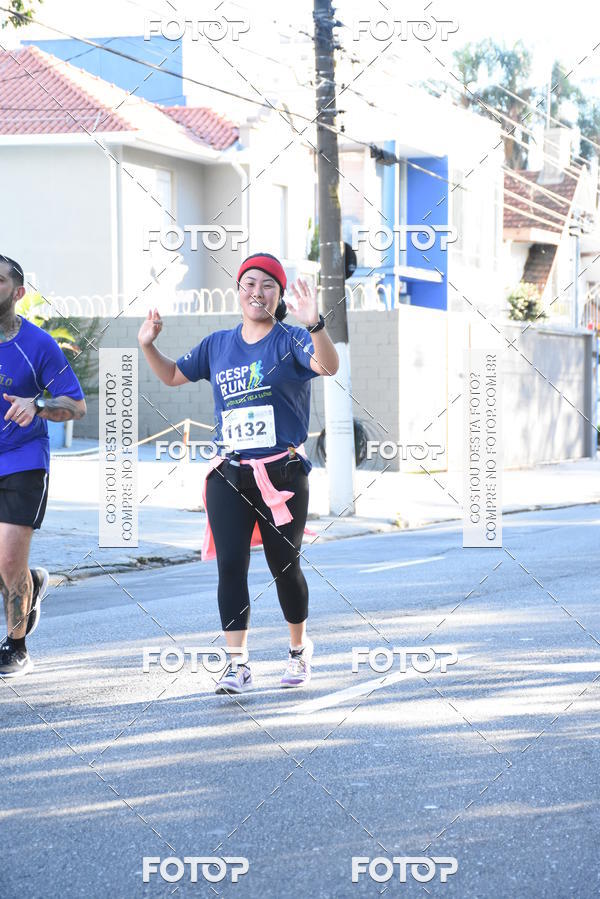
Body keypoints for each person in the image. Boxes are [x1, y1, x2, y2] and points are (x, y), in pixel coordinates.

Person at [138, 252, 339, 694]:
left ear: (280, 294)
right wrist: (148, 344)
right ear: (237, 291)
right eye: (249, 283)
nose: (257, 291)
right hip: (228, 474)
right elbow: (172, 375)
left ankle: (298, 650)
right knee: (230, 566)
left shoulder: (292, 339)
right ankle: (237, 664)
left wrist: (316, 325)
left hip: (282, 475)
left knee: (284, 566)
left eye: (267, 284)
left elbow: (327, 366)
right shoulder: (217, 344)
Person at [0, 256, 86, 676]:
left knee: (8, 562)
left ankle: (17, 646)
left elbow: (76, 405)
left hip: (23, 461)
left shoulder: (38, 345)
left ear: (18, 293)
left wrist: (36, 405)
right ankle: (31, 583)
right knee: (6, 565)